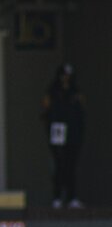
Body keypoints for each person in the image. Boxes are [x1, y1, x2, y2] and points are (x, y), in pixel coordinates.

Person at [42, 63, 86, 208]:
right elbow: (46, 110)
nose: (66, 79)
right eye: (63, 75)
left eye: (68, 76)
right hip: (58, 129)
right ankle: (57, 197)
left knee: (71, 164)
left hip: (73, 131)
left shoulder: (75, 91)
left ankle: (72, 197)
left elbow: (81, 111)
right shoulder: (53, 91)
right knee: (59, 163)